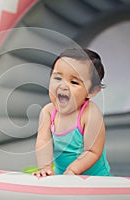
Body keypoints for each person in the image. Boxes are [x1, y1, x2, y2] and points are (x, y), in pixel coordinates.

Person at [33, 48, 110, 177]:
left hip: (95, 178)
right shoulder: (48, 112)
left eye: (74, 82)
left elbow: (92, 151)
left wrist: (73, 170)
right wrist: (45, 167)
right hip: (62, 174)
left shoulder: (90, 113)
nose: (63, 86)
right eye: (58, 78)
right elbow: (43, 142)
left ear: (92, 91)